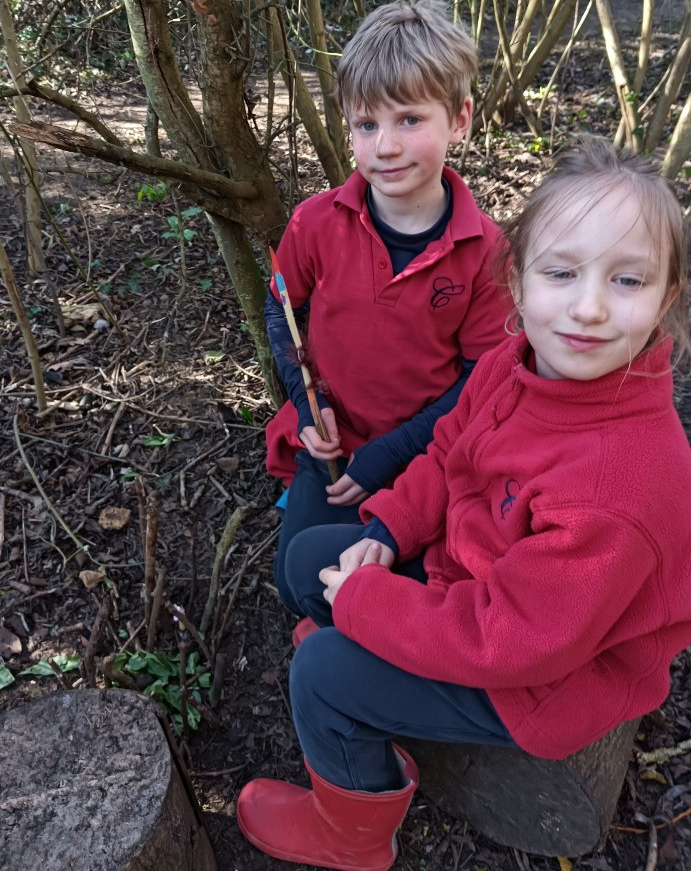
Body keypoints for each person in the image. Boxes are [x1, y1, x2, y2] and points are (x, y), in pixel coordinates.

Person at [237, 138, 691, 871]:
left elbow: (512, 640)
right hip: (473, 580)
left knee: (321, 673)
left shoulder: (620, 484)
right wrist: (389, 528)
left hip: (541, 680)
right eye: (561, 272)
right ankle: (373, 670)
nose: (588, 307)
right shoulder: (518, 366)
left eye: (628, 280)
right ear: (516, 283)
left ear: (666, 298)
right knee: (310, 560)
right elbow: (449, 451)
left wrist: (367, 608)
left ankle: (350, 835)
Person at [266, 0, 510, 620]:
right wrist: (306, 405)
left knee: (425, 574)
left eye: (409, 120)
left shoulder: (487, 250)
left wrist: (393, 455)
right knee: (299, 580)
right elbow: (283, 315)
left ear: (460, 120)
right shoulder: (315, 222)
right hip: (334, 445)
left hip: (428, 454)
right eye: (366, 125)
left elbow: (480, 380)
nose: (386, 147)